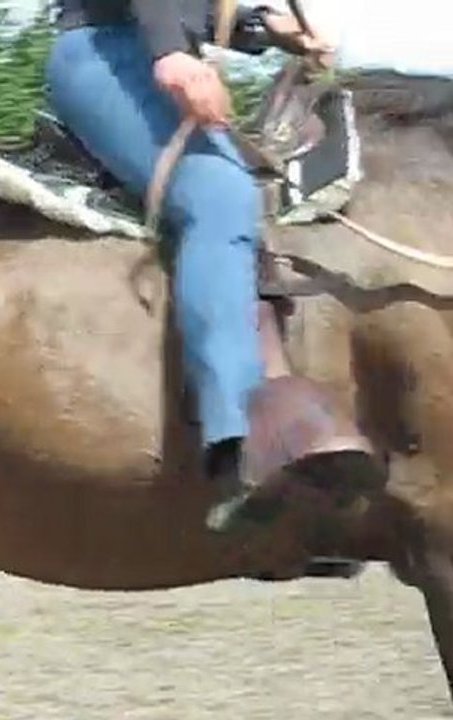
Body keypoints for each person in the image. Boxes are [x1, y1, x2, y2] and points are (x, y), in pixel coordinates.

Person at [45, 1, 382, 530]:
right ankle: (240, 440)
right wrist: (173, 54)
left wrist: (266, 29)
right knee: (219, 195)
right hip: (107, 53)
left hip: (145, 46)